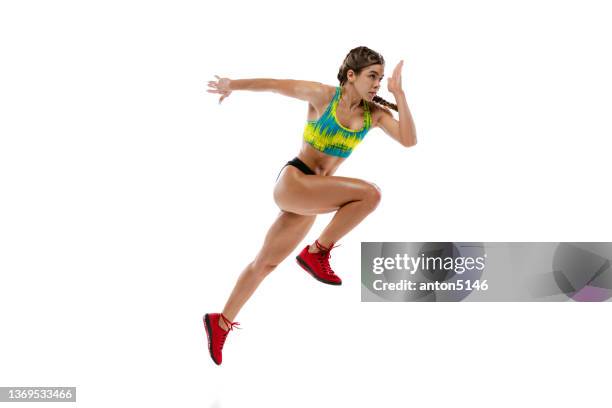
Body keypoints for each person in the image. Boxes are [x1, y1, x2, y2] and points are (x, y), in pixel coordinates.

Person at [204, 46, 417, 365]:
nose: (377, 83)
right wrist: (232, 84)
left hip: (315, 197)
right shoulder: (323, 97)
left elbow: (409, 140)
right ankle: (317, 252)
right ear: (351, 75)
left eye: (381, 78)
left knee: (265, 263)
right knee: (369, 195)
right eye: (372, 76)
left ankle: (220, 322)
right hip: (294, 182)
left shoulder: (375, 115)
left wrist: (399, 94)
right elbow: (275, 84)